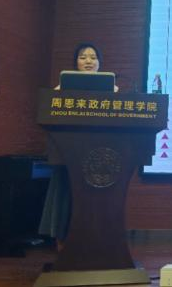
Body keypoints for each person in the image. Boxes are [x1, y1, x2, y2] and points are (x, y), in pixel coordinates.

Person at [39, 43, 117, 249]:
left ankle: (97, 245)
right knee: (64, 198)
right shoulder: (60, 90)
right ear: (75, 63)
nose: (88, 61)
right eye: (83, 57)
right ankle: (63, 245)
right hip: (67, 155)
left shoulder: (114, 92)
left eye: (93, 57)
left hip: (100, 156)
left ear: (99, 63)